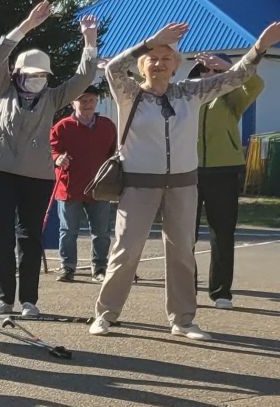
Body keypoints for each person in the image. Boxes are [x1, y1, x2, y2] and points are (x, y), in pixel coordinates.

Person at [90, 21, 280, 340]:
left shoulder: (191, 92)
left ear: (177, 65)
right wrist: (148, 40)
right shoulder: (129, 92)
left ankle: (183, 319)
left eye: (167, 58)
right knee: (126, 249)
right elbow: (113, 70)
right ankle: (105, 315)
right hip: (138, 185)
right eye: (153, 58)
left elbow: (236, 78)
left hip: (182, 185)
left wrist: (259, 49)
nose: (159, 63)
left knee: (182, 252)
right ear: (143, 64)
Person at [0, 2, 101, 318]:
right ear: (18, 74)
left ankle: (29, 299)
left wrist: (89, 41)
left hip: (37, 176)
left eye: (42, 75)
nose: (37, 79)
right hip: (0, 170)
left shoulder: (54, 96)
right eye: (31, 74)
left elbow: (83, 77)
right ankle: (4, 298)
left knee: (30, 237)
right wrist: (27, 25)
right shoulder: (4, 88)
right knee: (0, 234)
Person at [195, 56, 264, 308]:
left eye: (214, 69)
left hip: (223, 172)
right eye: (204, 70)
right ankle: (185, 288)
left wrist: (229, 69)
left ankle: (221, 292)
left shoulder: (231, 98)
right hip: (187, 172)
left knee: (222, 233)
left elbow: (255, 85)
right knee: (183, 235)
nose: (209, 73)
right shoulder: (186, 97)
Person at [49, 88, 118, 281]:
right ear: (73, 103)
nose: (87, 104)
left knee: (101, 232)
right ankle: (67, 267)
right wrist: (57, 158)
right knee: (68, 231)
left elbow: (113, 154)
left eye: (91, 100)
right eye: (82, 100)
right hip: (69, 188)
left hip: (99, 188)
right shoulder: (62, 127)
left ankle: (100, 268)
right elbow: (51, 150)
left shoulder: (107, 126)